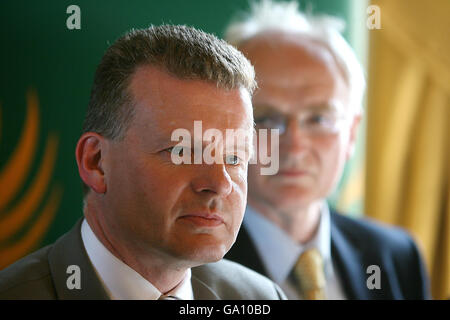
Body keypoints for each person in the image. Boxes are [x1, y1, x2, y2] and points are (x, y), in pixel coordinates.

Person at [0, 24, 286, 300]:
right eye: (183, 152)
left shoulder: (262, 297)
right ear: (96, 163)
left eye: (234, 157)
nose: (220, 185)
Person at [224, 0, 430, 299]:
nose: (294, 146)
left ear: (352, 134)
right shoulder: (188, 264)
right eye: (266, 118)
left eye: (318, 119)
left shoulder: (396, 256)